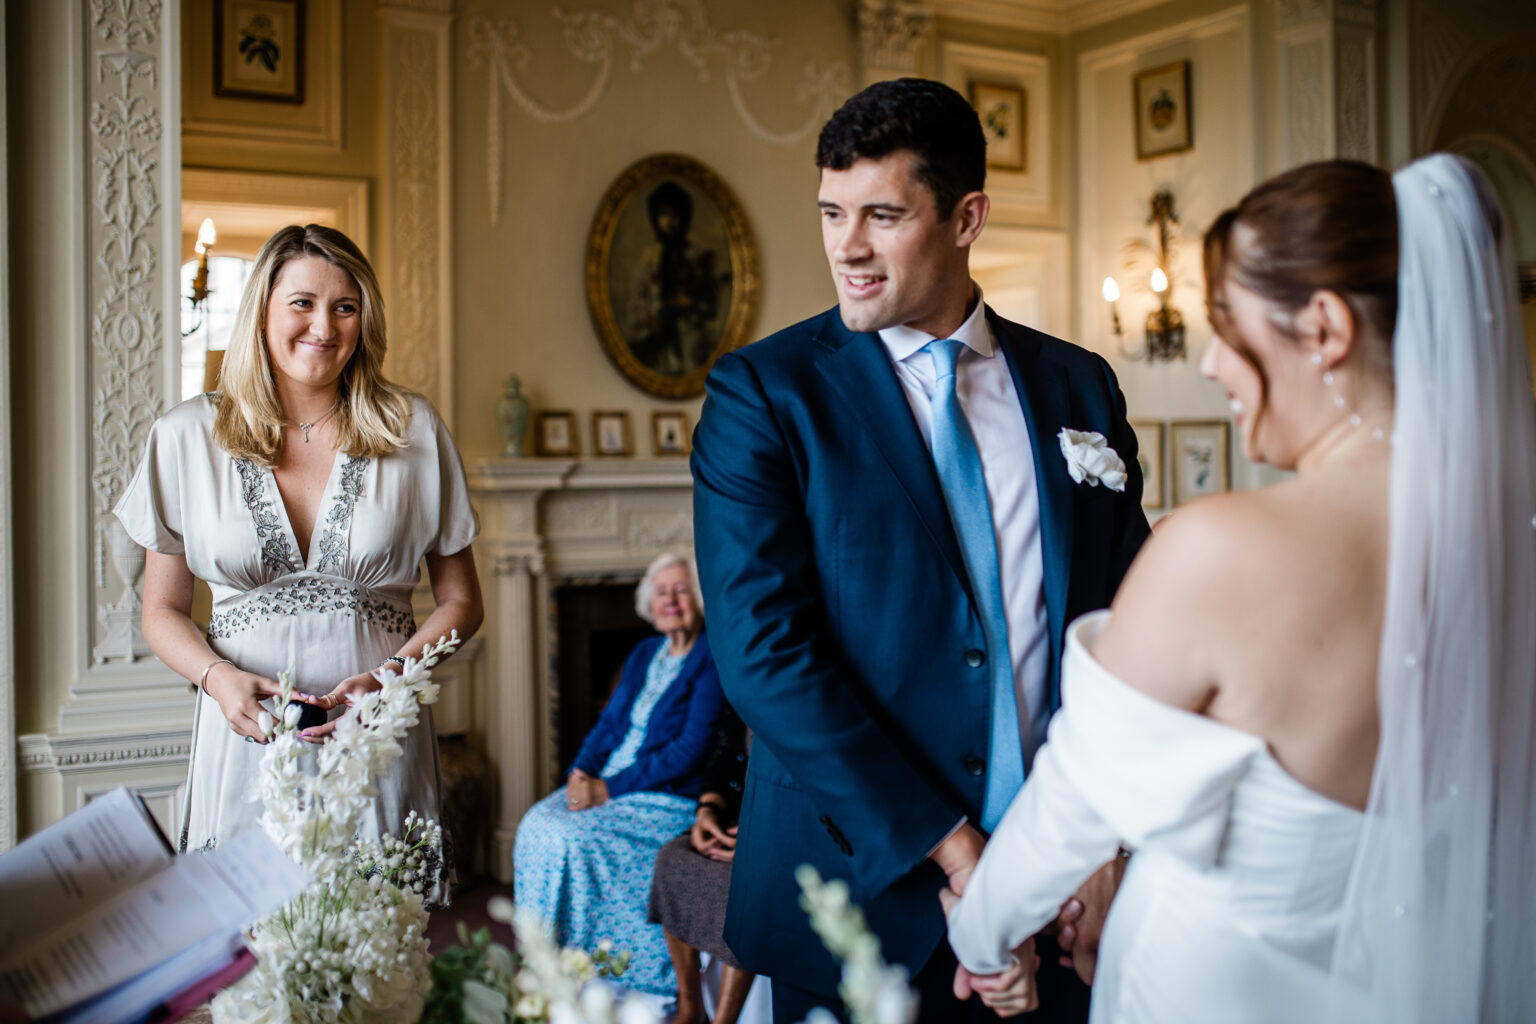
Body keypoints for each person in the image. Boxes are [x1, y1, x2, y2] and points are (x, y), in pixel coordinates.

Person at [945, 154, 1536, 1024]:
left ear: (1326, 328)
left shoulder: (1222, 549)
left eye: (1230, 326)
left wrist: (982, 934)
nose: (1214, 365)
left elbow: (1076, 802)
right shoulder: (1508, 543)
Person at [691, 77, 1150, 1024]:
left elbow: (1130, 638)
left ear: (966, 216)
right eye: (830, 213)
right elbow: (764, 657)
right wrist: (956, 854)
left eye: (882, 215)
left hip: (1066, 899)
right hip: (856, 895)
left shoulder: (1079, 388)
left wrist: (1103, 847)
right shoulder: (764, 396)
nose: (846, 247)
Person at [116, 224, 483, 897]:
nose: (325, 326)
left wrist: (394, 679)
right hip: (246, 741)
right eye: (303, 303)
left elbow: (462, 601)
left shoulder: (414, 430)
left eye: (346, 307)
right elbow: (161, 612)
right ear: (262, 308)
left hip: (377, 737)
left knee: (379, 966)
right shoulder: (185, 438)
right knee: (251, 960)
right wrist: (217, 678)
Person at [515, 552, 726, 1000]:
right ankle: (543, 964)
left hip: (666, 796)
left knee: (573, 839)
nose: (670, 599)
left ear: (699, 598)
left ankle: (606, 975)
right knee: (536, 824)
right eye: (661, 591)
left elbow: (691, 750)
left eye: (681, 589)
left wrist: (607, 788)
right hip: (608, 782)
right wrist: (581, 769)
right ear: (649, 602)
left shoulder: (712, 656)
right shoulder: (645, 652)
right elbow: (609, 724)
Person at [648, 704, 756, 1024]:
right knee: (673, 859)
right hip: (737, 817)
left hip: (783, 831)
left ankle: (724, 1020)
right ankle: (690, 1008)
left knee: (744, 886)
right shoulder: (740, 685)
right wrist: (707, 810)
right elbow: (725, 754)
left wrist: (760, 844)